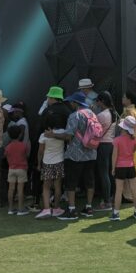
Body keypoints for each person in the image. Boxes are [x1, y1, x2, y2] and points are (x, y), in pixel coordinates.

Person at [47, 91, 98, 221]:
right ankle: (89, 207)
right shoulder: (92, 114)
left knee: (71, 183)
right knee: (89, 181)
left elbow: (68, 136)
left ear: (76, 103)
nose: (70, 104)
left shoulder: (74, 116)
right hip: (91, 153)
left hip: (75, 155)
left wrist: (53, 135)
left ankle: (71, 210)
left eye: (71, 102)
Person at [109, 116, 136, 221]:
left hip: (120, 167)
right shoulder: (134, 139)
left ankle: (116, 214)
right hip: (131, 166)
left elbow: (114, 156)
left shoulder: (117, 140)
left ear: (123, 128)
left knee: (119, 191)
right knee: (134, 190)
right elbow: (133, 151)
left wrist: (113, 168)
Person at [35, 112, 66, 219]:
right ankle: (56, 208)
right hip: (60, 162)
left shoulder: (43, 136)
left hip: (47, 162)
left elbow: (40, 151)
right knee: (58, 186)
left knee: (46, 187)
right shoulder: (62, 132)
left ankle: (47, 209)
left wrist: (39, 164)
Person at [94, 91, 118, 212]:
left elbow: (95, 132)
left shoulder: (101, 115)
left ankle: (107, 202)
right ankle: (112, 198)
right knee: (109, 173)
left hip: (103, 145)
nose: (96, 103)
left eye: (97, 101)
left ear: (102, 101)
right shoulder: (113, 113)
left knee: (104, 174)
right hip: (111, 144)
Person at [121, 91, 136, 202]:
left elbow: (128, 129)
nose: (122, 98)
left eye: (124, 96)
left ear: (129, 99)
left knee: (128, 169)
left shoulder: (128, 111)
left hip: (130, 144)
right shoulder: (134, 110)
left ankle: (128, 195)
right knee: (134, 169)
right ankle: (131, 194)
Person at [5, 124, 30, 215]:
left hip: (11, 169)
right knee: (20, 190)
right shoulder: (23, 145)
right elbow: (26, 155)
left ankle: (10, 209)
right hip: (22, 169)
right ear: (20, 134)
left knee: (11, 189)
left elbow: (6, 156)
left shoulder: (8, 147)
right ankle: (20, 209)